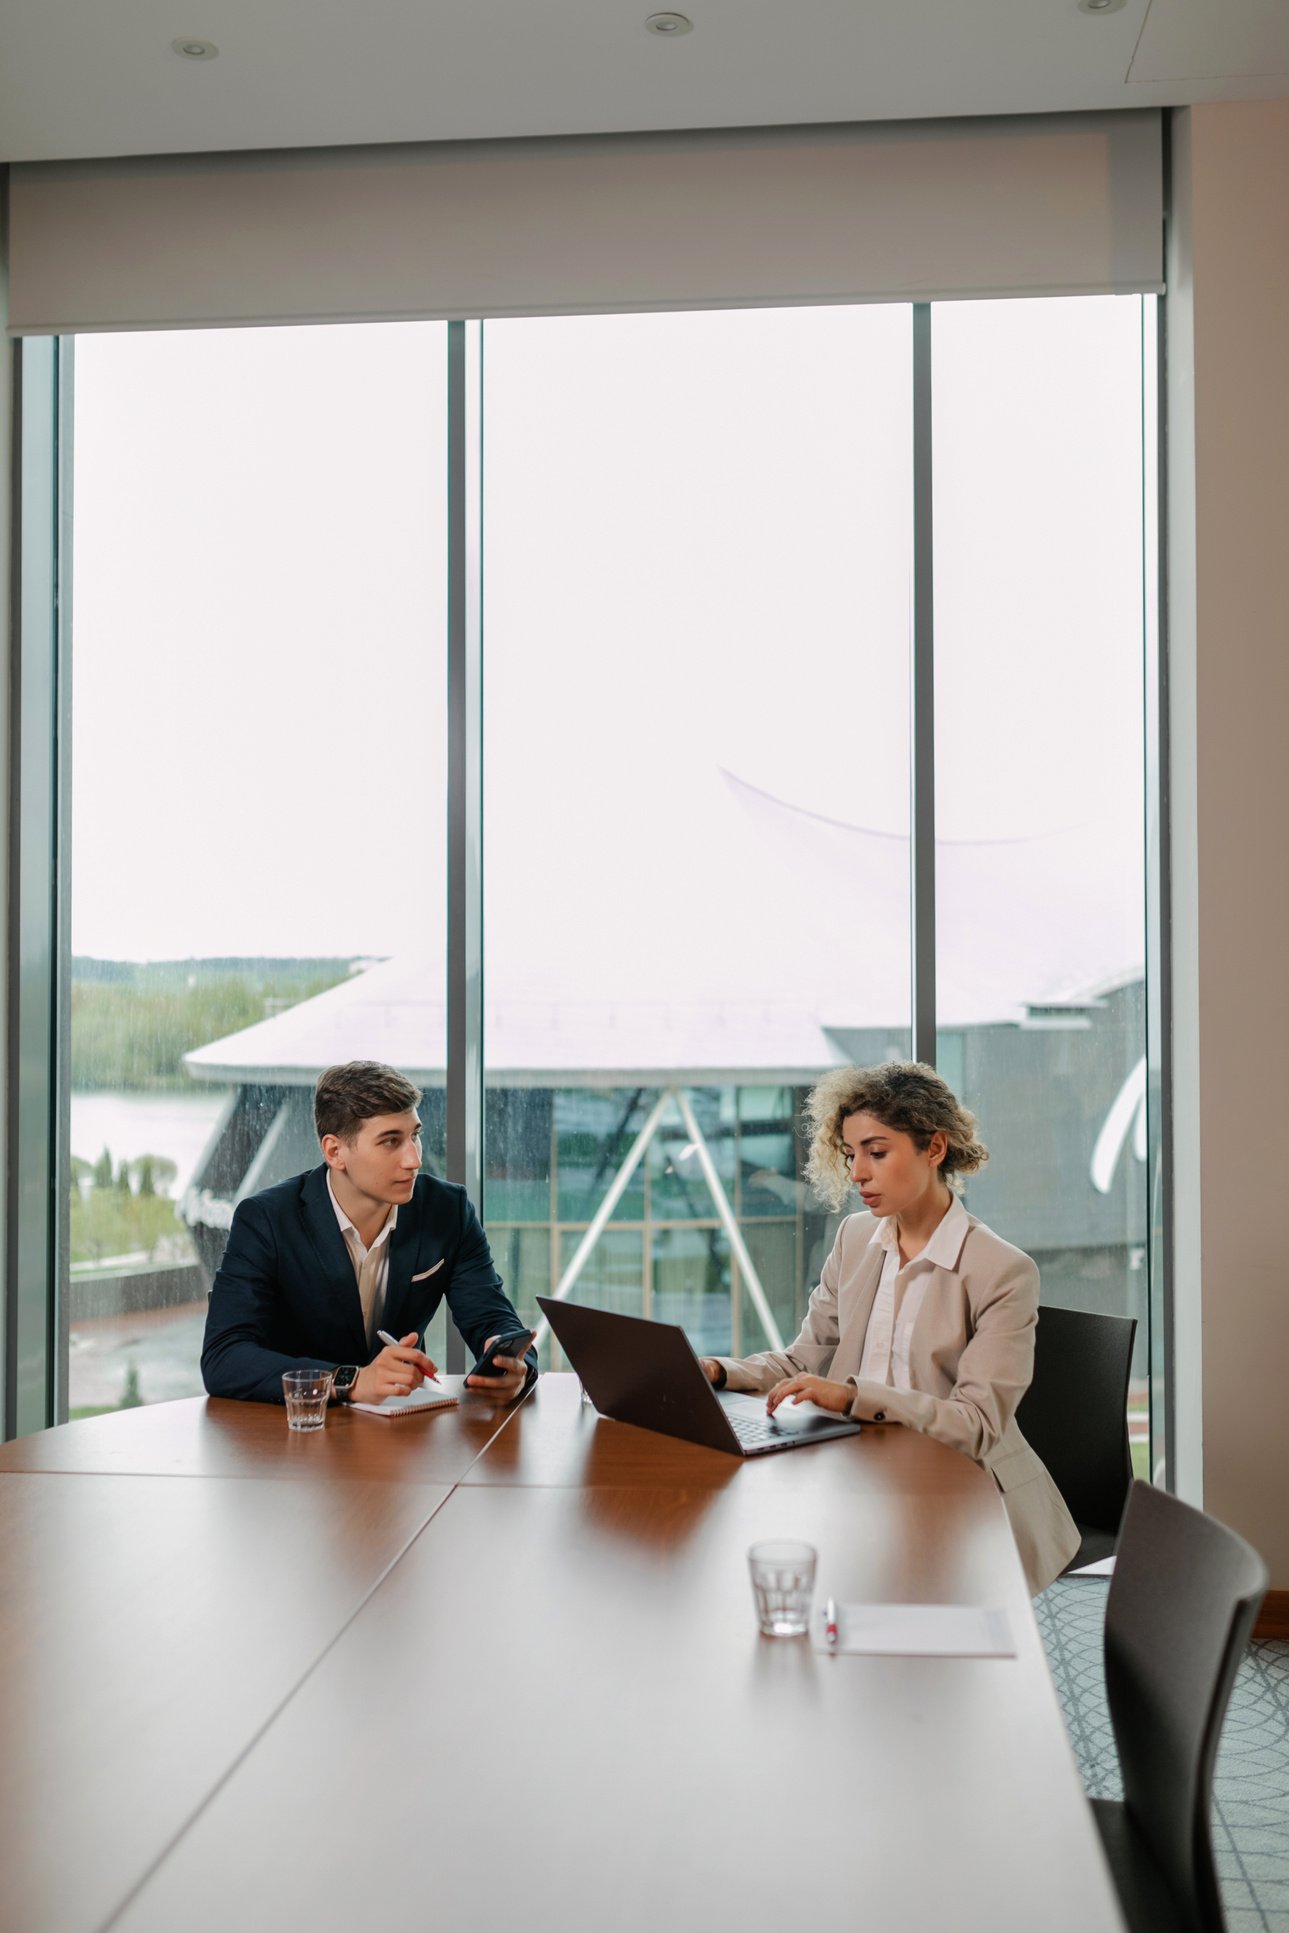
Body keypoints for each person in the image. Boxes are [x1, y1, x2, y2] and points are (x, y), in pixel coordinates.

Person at [699, 1062, 1079, 1594]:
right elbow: (803, 1362)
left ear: (935, 1148)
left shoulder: (1002, 1270)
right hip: (861, 1469)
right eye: (851, 1154)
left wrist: (851, 1396)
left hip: (960, 1491)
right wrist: (718, 1370)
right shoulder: (856, 1238)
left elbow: (975, 1425)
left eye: (876, 1152)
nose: (857, 1173)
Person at [201, 1060, 537, 1407]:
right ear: (335, 1151)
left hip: (401, 1432)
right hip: (294, 1432)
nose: (414, 1159)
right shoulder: (267, 1220)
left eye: (415, 1135)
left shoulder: (448, 1209)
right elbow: (224, 1358)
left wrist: (514, 1365)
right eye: (391, 1141)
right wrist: (352, 1380)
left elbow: (491, 1316)